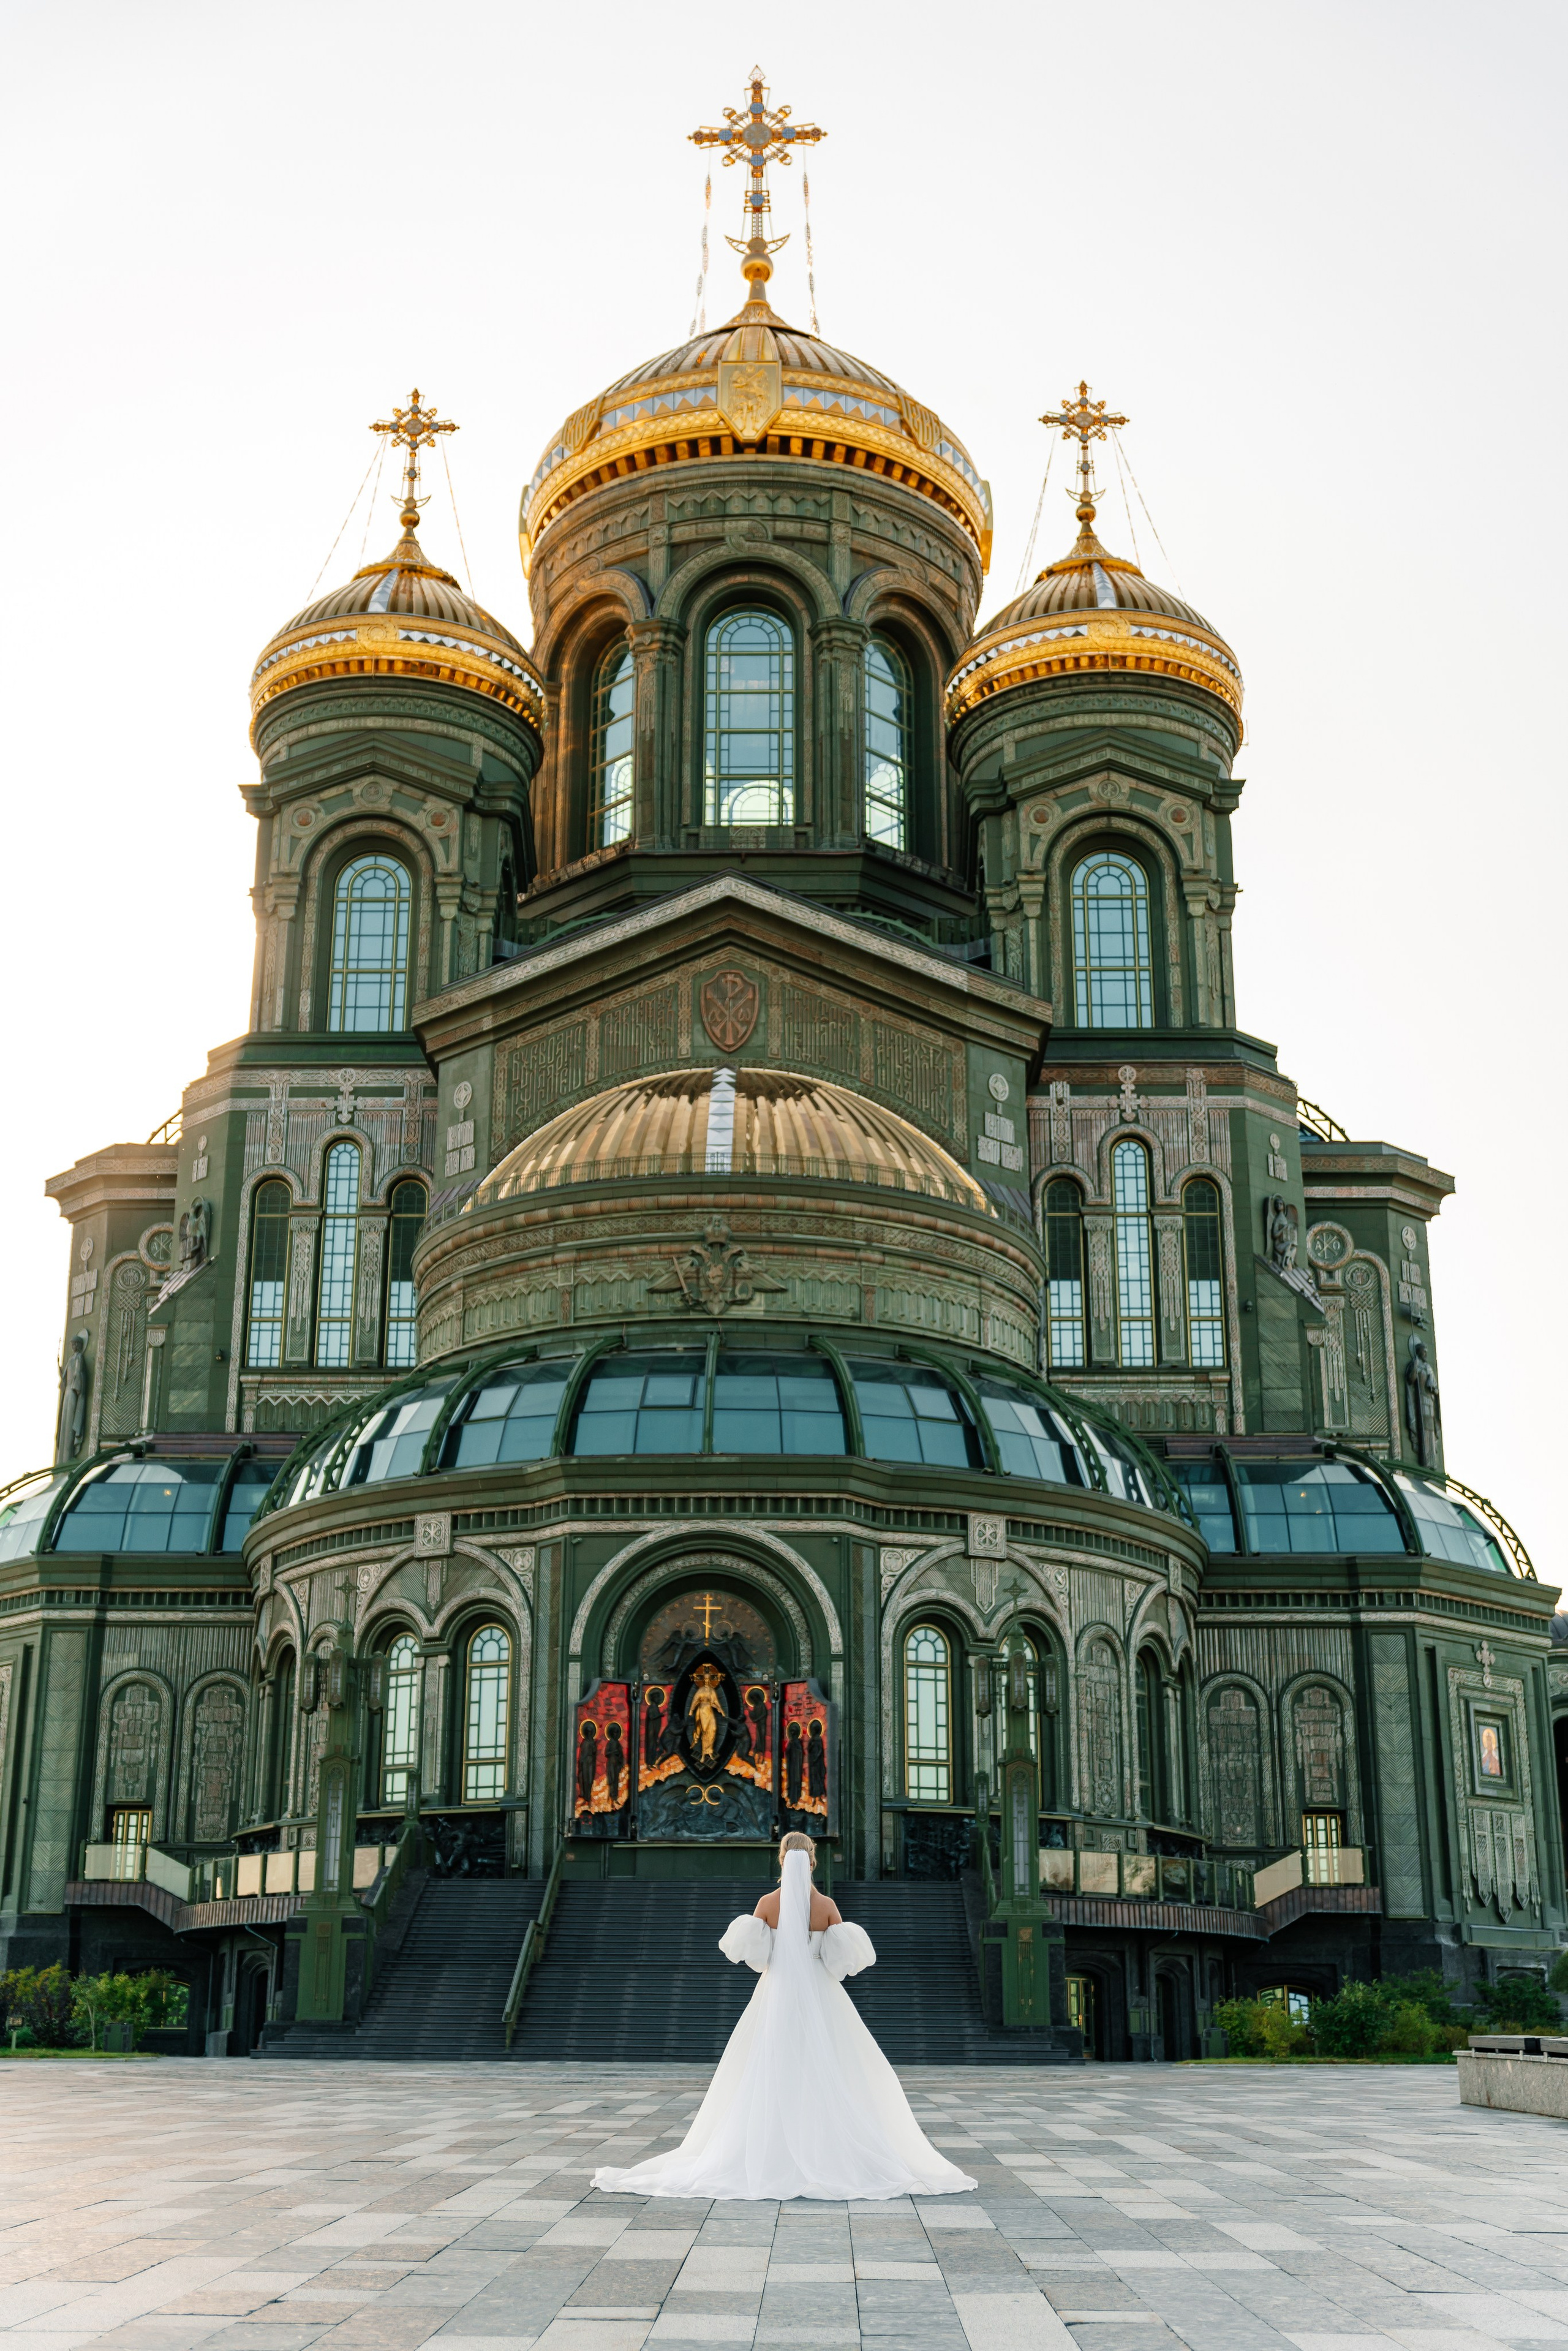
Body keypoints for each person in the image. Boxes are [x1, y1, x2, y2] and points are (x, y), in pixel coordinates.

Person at [591, 1832, 978, 2202]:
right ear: (812, 1860)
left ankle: (768, 2146)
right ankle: (829, 2145)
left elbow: (755, 1958)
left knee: (768, 2064)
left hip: (776, 1993)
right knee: (835, 2063)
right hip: (820, 1991)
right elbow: (842, 1961)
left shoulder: (766, 1903)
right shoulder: (825, 1905)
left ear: (781, 1859)